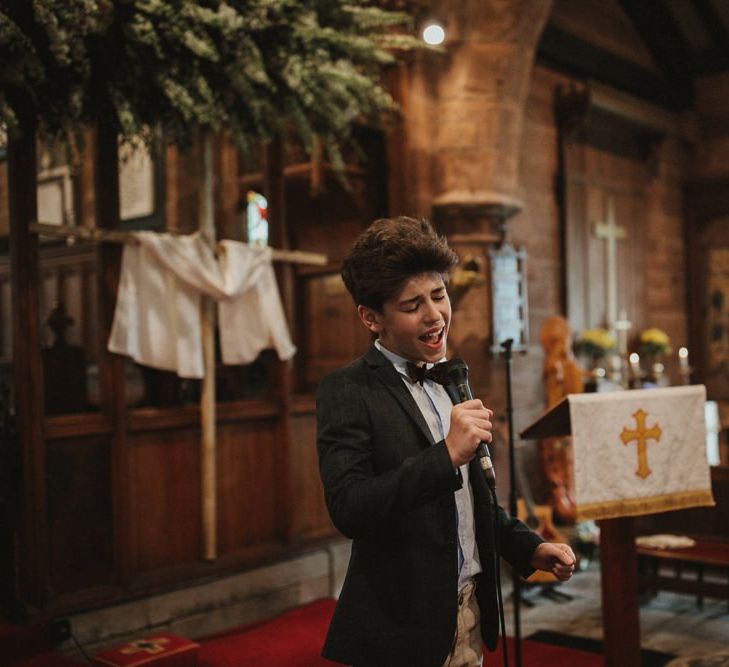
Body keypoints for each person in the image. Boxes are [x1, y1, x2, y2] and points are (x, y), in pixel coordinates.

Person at [316, 216, 576, 667]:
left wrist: (527, 547)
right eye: (412, 305)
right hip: (400, 629)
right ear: (370, 317)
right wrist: (446, 456)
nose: (435, 314)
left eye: (439, 295)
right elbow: (350, 508)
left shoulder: (451, 379)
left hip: (468, 613)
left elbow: (475, 503)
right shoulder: (349, 390)